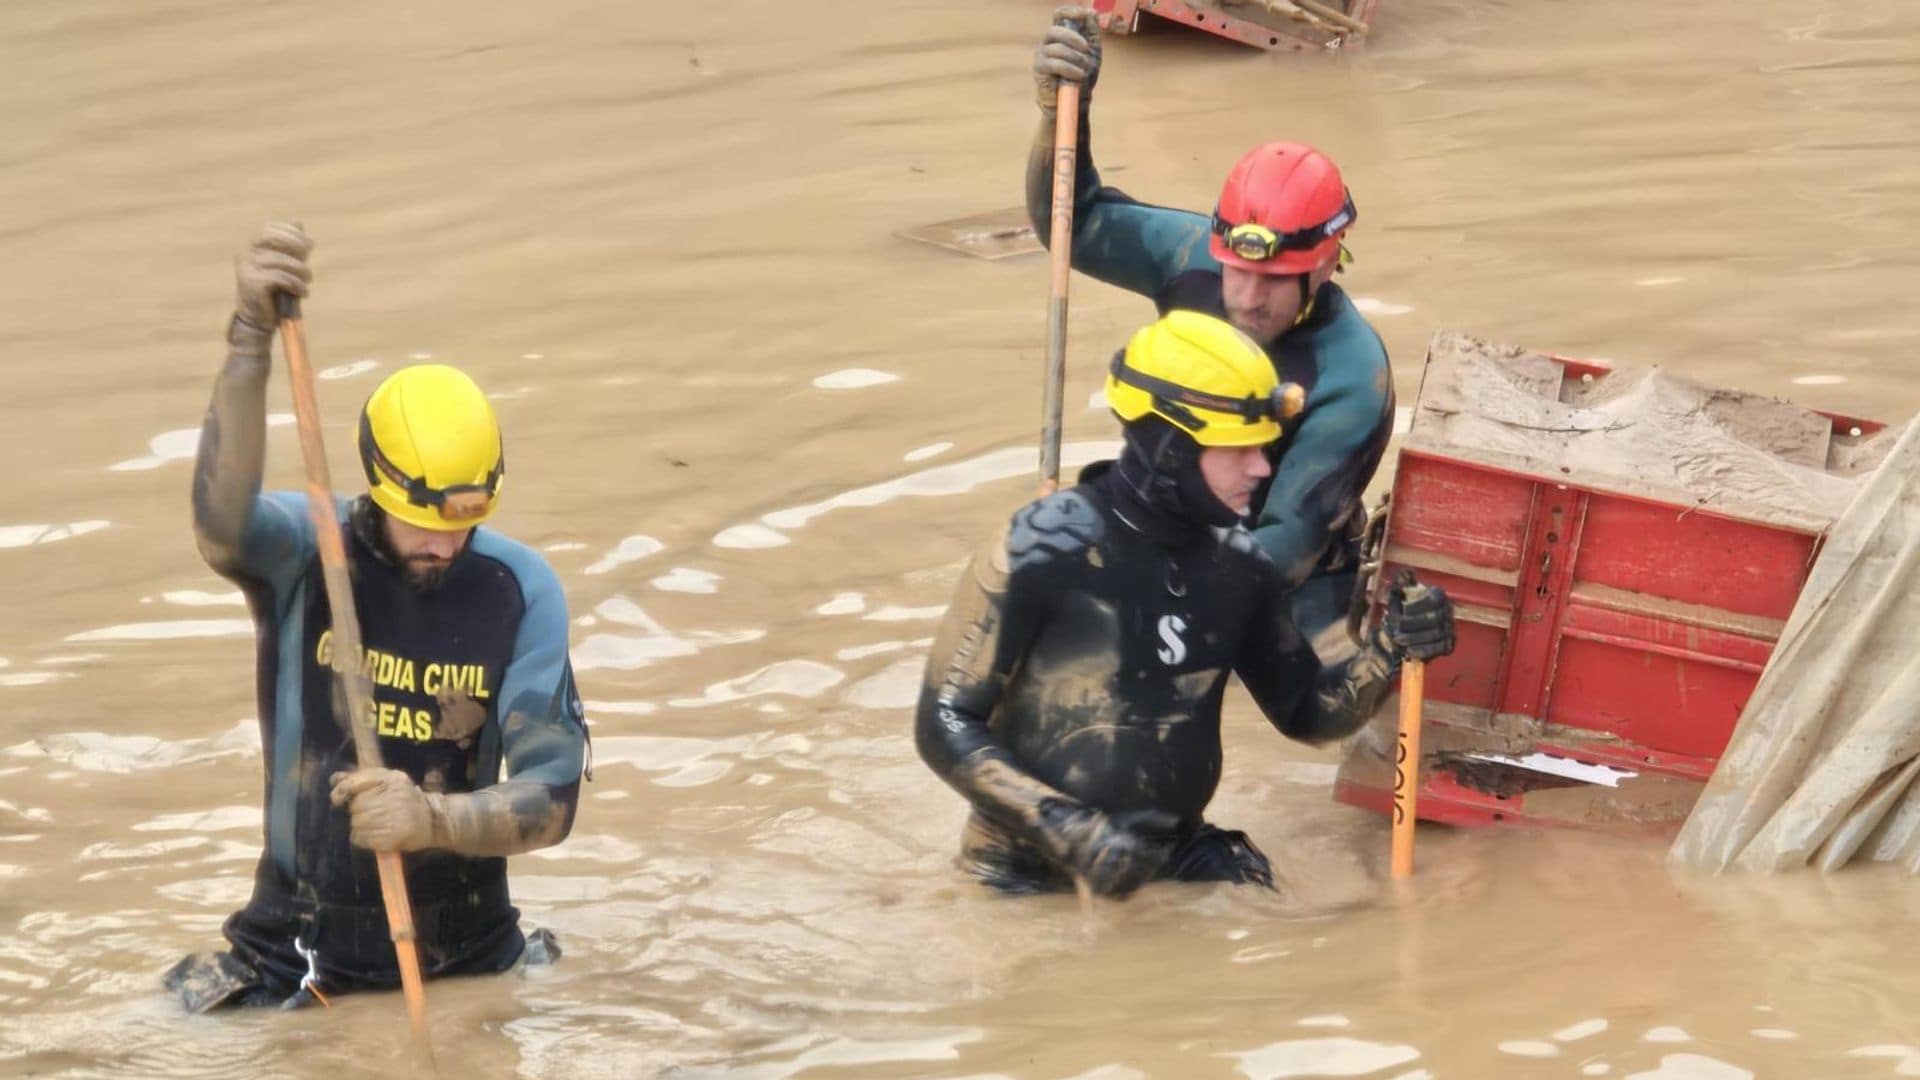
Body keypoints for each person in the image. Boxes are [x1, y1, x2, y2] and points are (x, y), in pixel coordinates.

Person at [164, 223, 589, 1011]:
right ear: (378, 489)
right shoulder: (305, 552)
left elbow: (554, 799)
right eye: (423, 521)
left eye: (466, 522)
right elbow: (218, 524)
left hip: (463, 955)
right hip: (291, 949)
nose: (445, 543)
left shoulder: (520, 590)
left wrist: (433, 818)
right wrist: (250, 340)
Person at [915, 311, 1453, 897]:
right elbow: (945, 722)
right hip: (1023, 875)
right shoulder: (1041, 548)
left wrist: (1389, 650)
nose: (1262, 468)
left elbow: (1307, 714)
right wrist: (1066, 830)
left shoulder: (1238, 566)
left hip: (1177, 857)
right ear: (1169, 448)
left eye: (1264, 448)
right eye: (1239, 450)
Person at [1027, 7, 1394, 648]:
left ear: (1328, 265)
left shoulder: (1351, 378)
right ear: (1219, 248)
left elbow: (1284, 546)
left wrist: (1133, 604)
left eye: (1276, 281)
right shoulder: (1191, 254)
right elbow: (1073, 223)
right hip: (1175, 529)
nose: (1248, 300)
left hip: (1293, 586)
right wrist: (1062, 114)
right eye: (1237, 273)